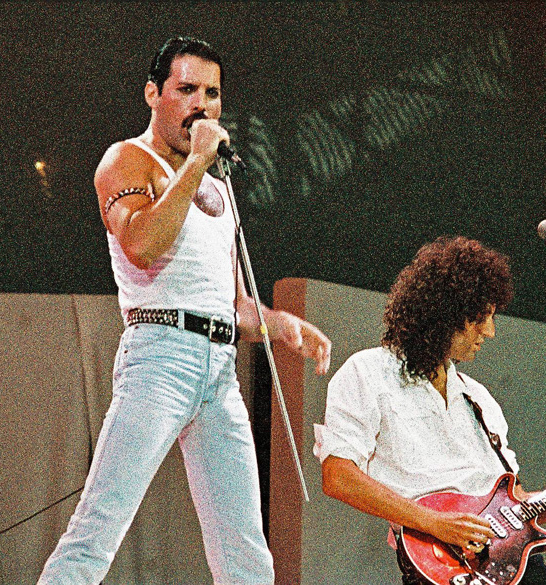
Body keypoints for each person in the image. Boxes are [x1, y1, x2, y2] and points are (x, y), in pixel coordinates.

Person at [37, 37, 331, 585]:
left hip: (219, 370)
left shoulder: (219, 189)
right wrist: (196, 161)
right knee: (98, 529)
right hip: (159, 359)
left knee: (246, 549)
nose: (202, 104)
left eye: (212, 93)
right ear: (154, 94)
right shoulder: (127, 159)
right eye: (187, 89)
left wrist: (280, 323)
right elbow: (142, 245)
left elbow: (233, 305)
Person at [313, 236, 546, 585]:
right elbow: (338, 477)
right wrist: (433, 522)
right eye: (480, 318)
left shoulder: (478, 398)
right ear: (443, 314)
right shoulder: (368, 372)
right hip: (442, 567)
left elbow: (520, 508)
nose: (490, 332)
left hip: (514, 566)